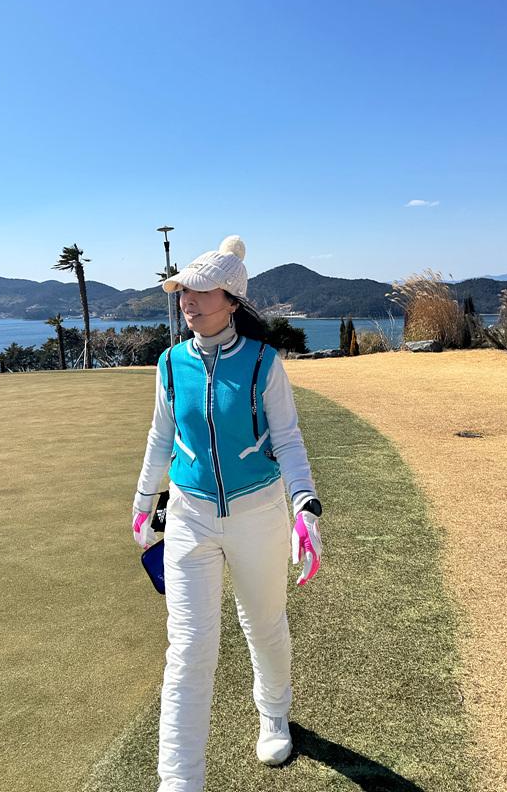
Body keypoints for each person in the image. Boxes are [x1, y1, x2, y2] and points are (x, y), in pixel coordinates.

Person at [132, 234, 323, 792]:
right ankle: (179, 780)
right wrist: (143, 502)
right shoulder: (171, 363)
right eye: (182, 292)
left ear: (232, 300)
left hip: (258, 513)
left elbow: (288, 439)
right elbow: (160, 437)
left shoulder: (264, 362)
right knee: (189, 648)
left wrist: (305, 504)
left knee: (263, 623)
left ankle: (274, 713)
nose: (187, 300)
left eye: (200, 291)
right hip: (188, 516)